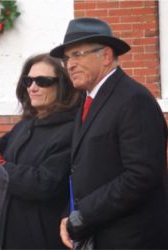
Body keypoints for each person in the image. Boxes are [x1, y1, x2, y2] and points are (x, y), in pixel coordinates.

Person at [50, 17, 168, 248]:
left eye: (77, 55)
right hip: (99, 235)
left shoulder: (133, 99)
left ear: (105, 56)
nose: (69, 64)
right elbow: (83, 170)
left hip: (131, 239)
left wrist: (84, 214)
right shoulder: (88, 101)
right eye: (66, 59)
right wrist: (70, 213)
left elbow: (142, 175)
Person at [0, 53, 80, 249]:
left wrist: (0, 166)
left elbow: (44, 183)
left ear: (62, 86)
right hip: (6, 236)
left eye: (43, 81)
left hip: (41, 238)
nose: (33, 87)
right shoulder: (25, 124)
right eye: (28, 80)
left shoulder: (70, 130)